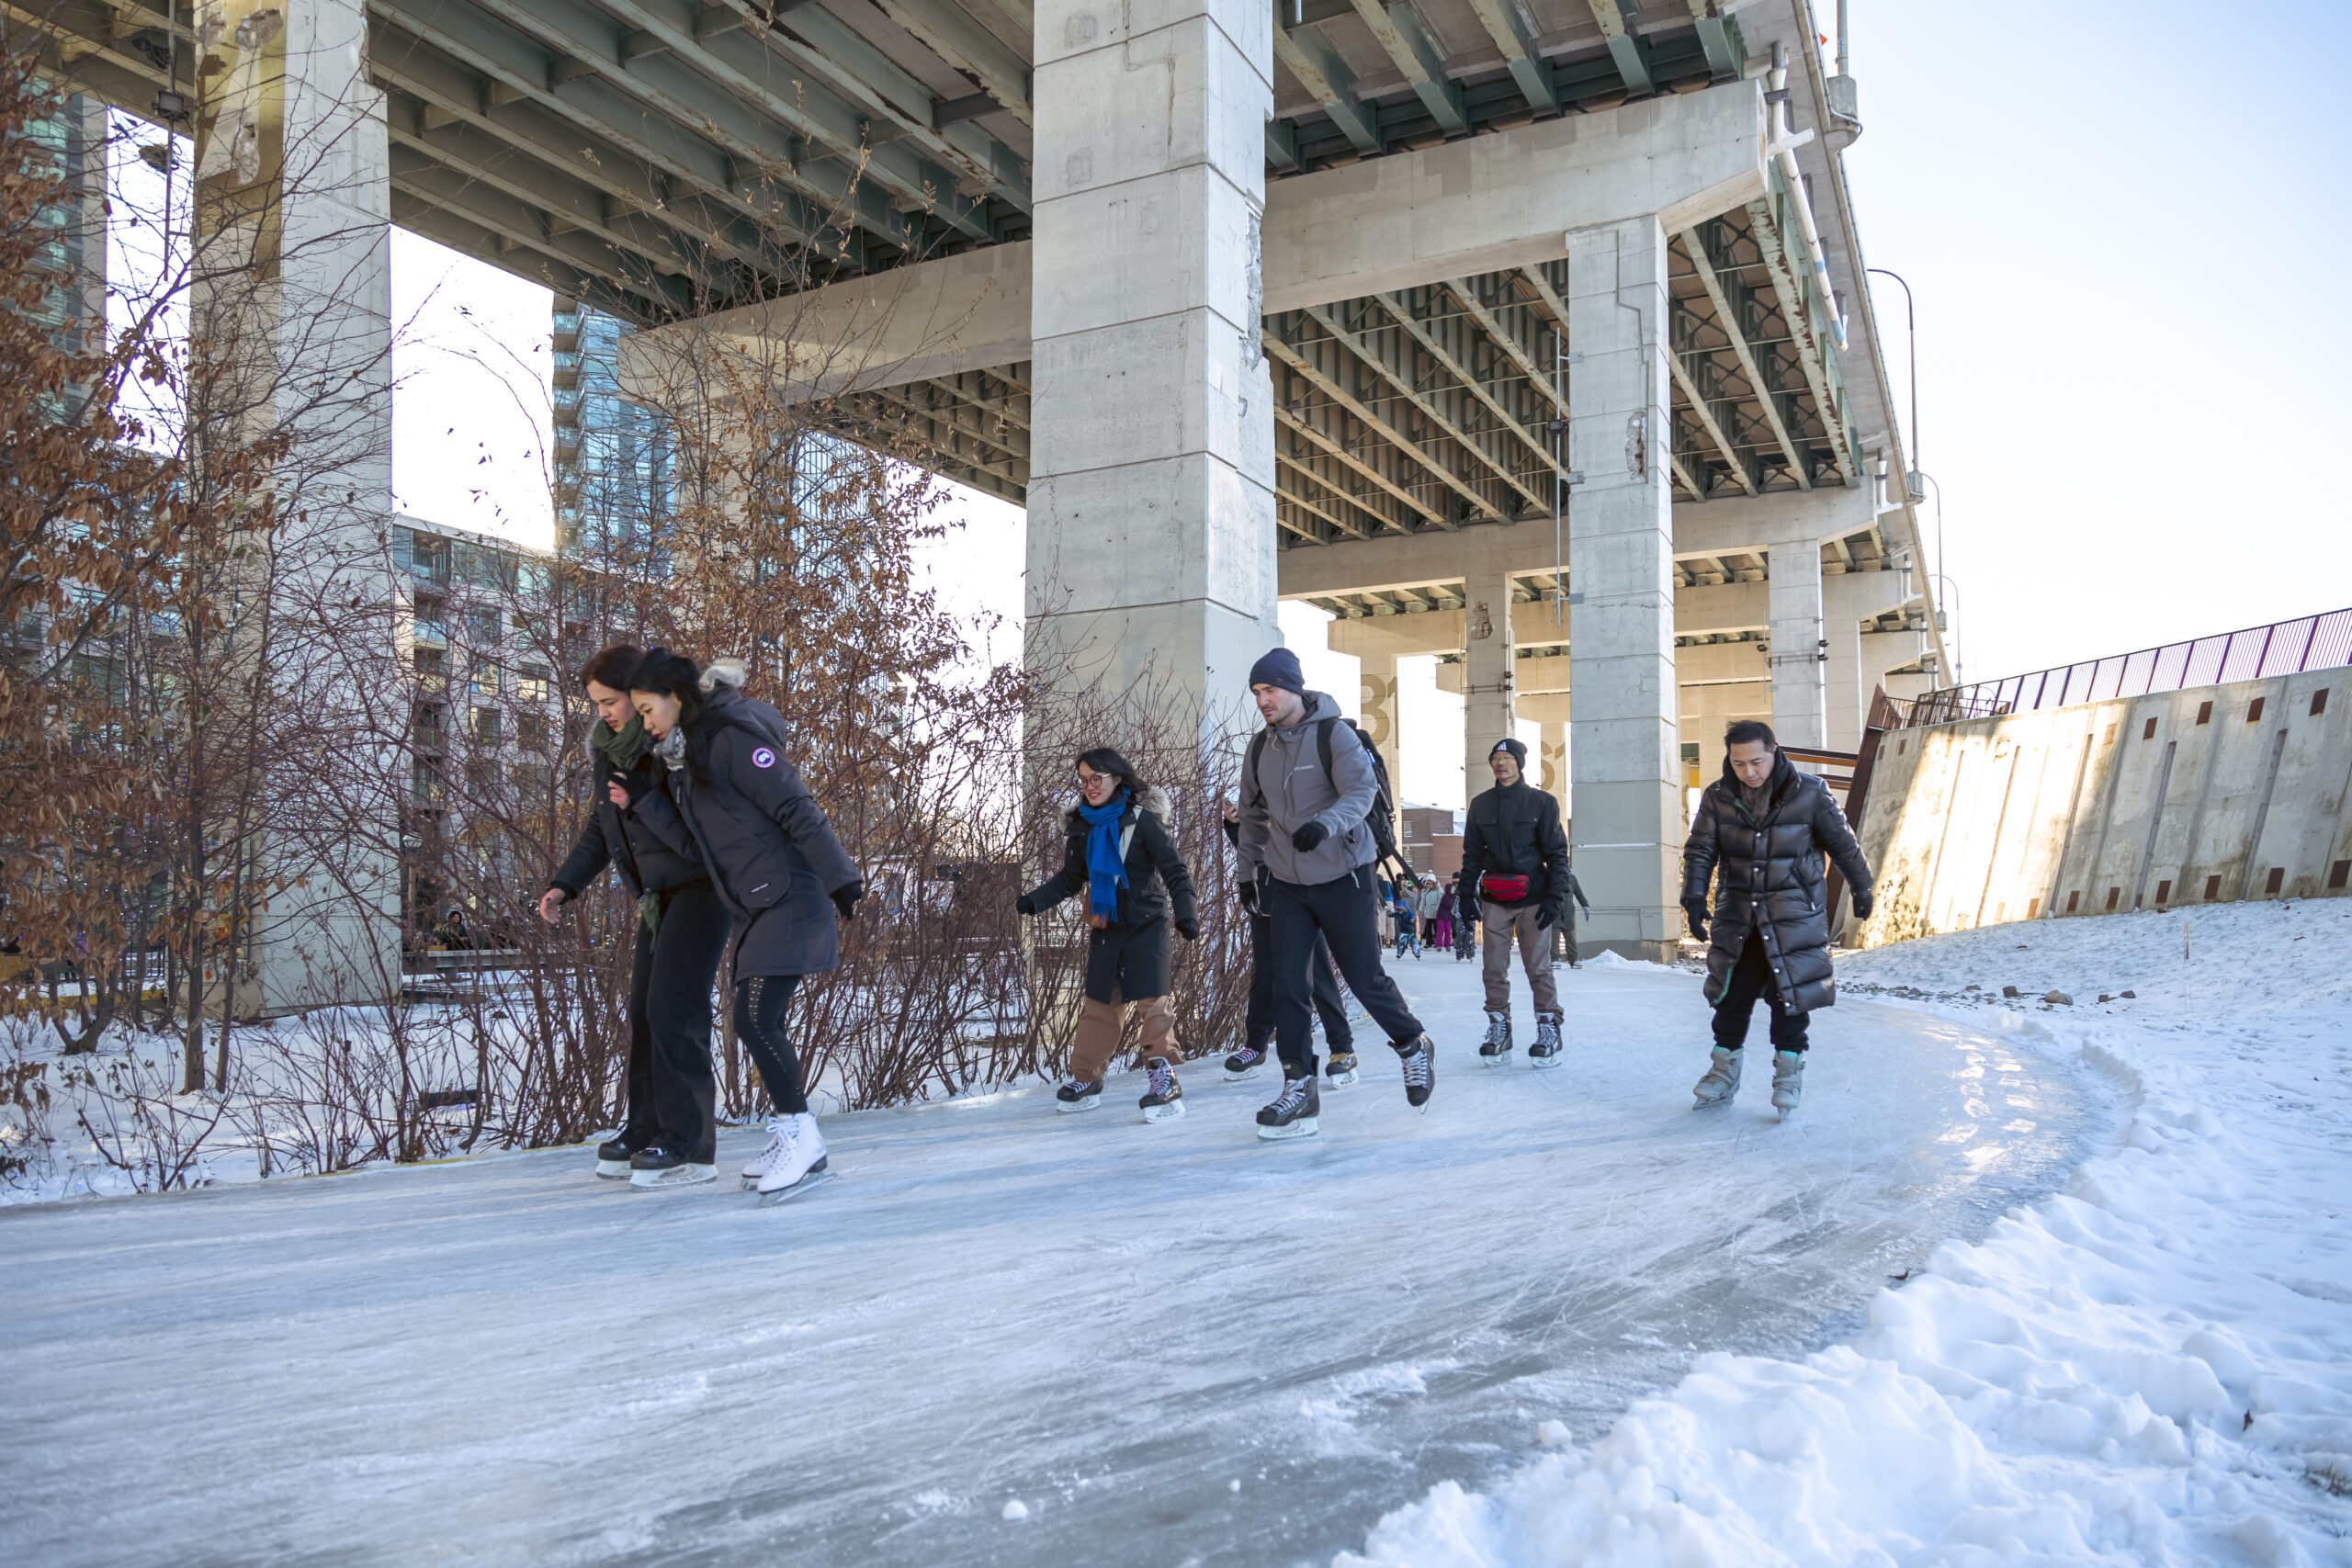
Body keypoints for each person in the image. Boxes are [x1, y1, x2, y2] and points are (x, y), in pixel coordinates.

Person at [621, 649, 865, 1200]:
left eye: (647, 708)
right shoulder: (688, 760)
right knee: (753, 1020)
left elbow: (795, 807)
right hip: (757, 906)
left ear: (676, 699)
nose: (645, 722)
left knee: (756, 1020)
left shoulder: (732, 740)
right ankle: (794, 1134)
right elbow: (697, 848)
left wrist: (840, 878)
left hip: (791, 897)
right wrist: (644, 802)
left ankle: (803, 1138)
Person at [541, 644, 729, 1189]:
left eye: (610, 701)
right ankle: (647, 1126)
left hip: (700, 890)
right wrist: (564, 884)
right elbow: (603, 829)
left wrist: (644, 798)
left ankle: (691, 1145)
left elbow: (699, 836)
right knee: (644, 1012)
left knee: (676, 1010)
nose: (601, 712)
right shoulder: (608, 751)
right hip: (658, 898)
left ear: (638, 693)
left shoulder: (672, 746)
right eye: (595, 703)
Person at [1237, 647, 1434, 1140]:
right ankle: (1299, 1084)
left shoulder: (1333, 734)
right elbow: (1252, 816)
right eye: (1257, 692)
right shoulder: (1260, 749)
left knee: (1364, 977)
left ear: (1294, 688)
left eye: (1271, 690)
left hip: (1345, 873)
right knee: (1288, 985)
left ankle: (1413, 1044)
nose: (1263, 700)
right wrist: (1247, 875)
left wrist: (1324, 825)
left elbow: (1360, 792)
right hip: (1288, 883)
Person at [1680, 719, 1874, 1118]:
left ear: (1773, 751)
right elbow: (1700, 850)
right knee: (1730, 998)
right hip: (1739, 919)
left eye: (1756, 761)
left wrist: (1862, 887)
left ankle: (1788, 1075)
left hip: (1793, 917)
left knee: (1791, 998)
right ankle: (1723, 1075)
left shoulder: (1810, 792)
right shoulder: (1718, 796)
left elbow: (1844, 845)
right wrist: (1695, 897)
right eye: (1738, 764)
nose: (1748, 772)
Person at [1015, 749, 1199, 1122]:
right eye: (1083, 780)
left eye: (1096, 778)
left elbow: (1175, 871)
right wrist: (1034, 902)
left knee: (1153, 1002)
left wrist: (1186, 914)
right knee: (1099, 1005)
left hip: (1147, 924)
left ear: (1117, 778)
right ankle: (1087, 1079)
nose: (1089, 787)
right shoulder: (1082, 826)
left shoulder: (1143, 821)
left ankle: (1163, 1077)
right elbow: (1071, 878)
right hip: (1105, 926)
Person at [1220, 800, 1357, 1086]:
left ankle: (1342, 1049)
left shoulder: (1302, 804)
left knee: (1317, 975)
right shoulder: (1259, 805)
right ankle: (1256, 1046)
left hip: (1303, 903)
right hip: (1266, 903)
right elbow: (1253, 854)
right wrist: (1235, 826)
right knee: (1265, 976)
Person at [1456, 738, 1572, 1067]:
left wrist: (1556, 896)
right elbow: (1472, 855)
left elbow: (1557, 854)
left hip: (1534, 896)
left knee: (1538, 967)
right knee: (1493, 967)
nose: (1501, 763)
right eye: (1495, 758)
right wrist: (1465, 893)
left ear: (1520, 763)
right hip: (1495, 896)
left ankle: (1549, 1027)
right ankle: (1499, 1028)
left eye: (1507, 758)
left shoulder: (1542, 802)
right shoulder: (1481, 804)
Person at [1555, 863, 1593, 967]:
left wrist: (1585, 906)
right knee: (1554, 937)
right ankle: (1554, 959)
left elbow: (1579, 893)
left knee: (1571, 937)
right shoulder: (1550, 877)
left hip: (1568, 913)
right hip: (1554, 912)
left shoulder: (1572, 879)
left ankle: (1574, 959)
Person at [1390, 880, 1421, 959]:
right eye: (1415, 888)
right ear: (1411, 888)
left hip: (1407, 917)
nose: (1416, 889)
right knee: (1408, 933)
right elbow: (1412, 906)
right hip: (1408, 916)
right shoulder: (1409, 896)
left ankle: (1410, 948)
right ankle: (1405, 948)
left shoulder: (1409, 895)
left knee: (1408, 932)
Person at [1415, 876, 1442, 947]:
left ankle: (1437, 942)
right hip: (1428, 910)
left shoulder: (1438, 889)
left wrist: (1437, 909)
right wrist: (1420, 910)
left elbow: (1440, 900)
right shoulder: (1425, 890)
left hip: (1435, 910)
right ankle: (1428, 943)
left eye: (1431, 880)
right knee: (1428, 927)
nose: (1429, 882)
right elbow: (1423, 901)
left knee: (1436, 927)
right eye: (1428, 880)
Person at [1431, 885, 1456, 953]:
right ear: (1449, 890)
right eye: (1452, 889)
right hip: (1441, 916)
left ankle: (1447, 945)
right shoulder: (1445, 897)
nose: (1453, 891)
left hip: (1448, 917)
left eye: (1454, 890)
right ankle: (1439, 945)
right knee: (1441, 930)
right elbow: (1450, 905)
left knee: (1448, 931)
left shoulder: (1453, 897)